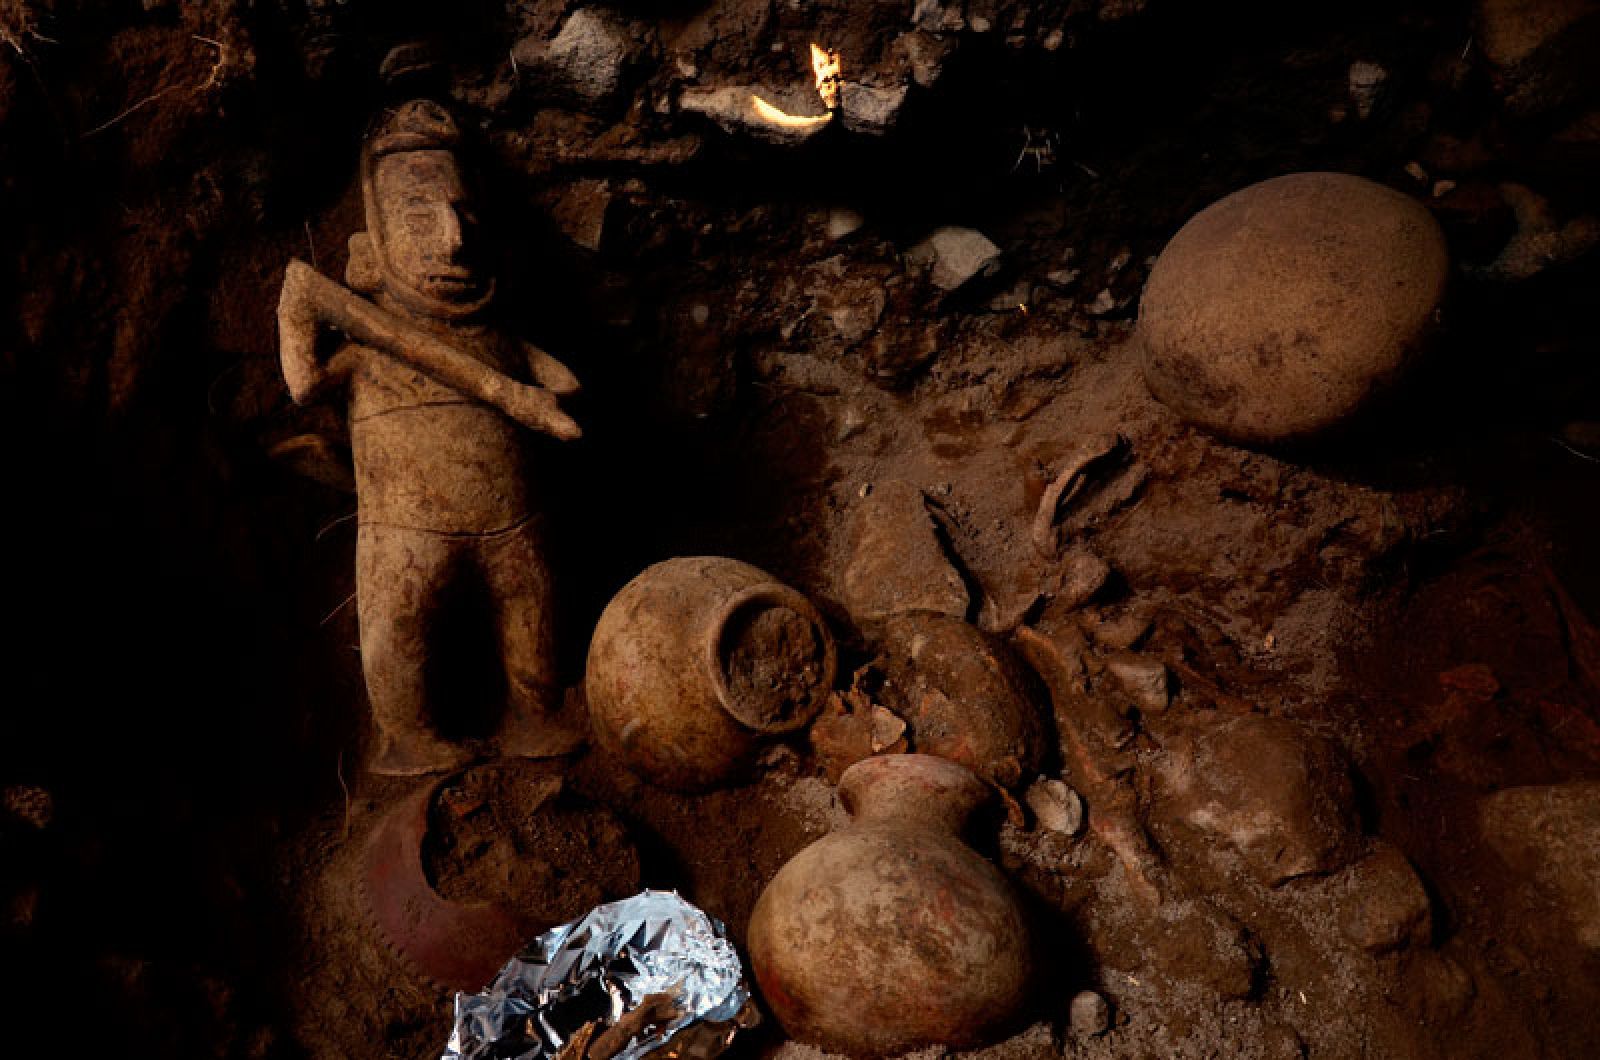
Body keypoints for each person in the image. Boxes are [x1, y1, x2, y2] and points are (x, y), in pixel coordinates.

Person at [280, 97, 583, 775]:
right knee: (400, 631)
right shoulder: (366, 341)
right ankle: (407, 734)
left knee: (534, 629)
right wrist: (298, 311)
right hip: (407, 529)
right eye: (418, 216)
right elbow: (302, 382)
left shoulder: (496, 331)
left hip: (515, 521)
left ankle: (534, 712)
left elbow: (561, 381)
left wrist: (522, 373)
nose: (451, 238)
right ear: (374, 238)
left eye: (465, 214)